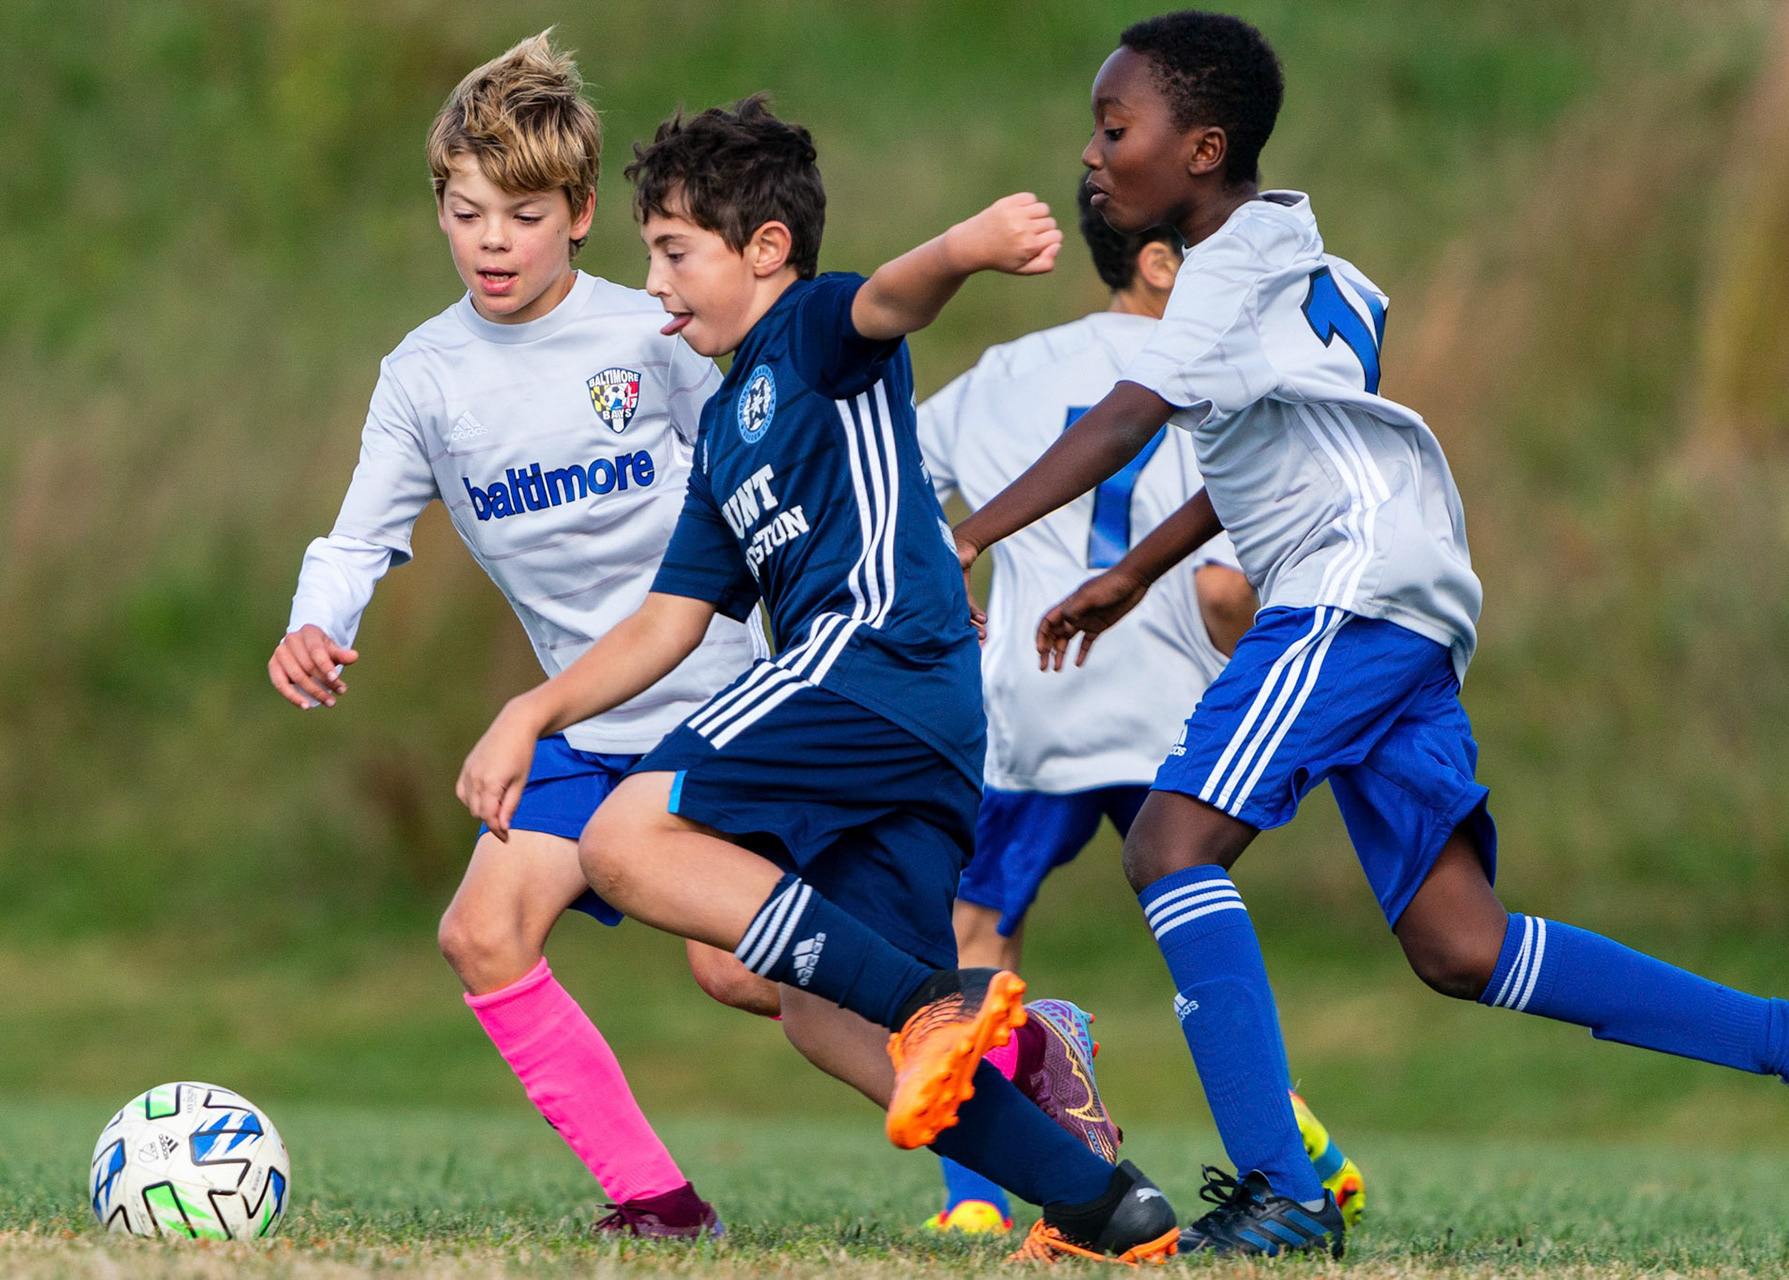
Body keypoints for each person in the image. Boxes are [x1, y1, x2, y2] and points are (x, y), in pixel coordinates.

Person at [951, 10, 1789, 1259]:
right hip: (1405, 589)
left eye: (1115, 126)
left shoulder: (1225, 272)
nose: (1092, 150)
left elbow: (1130, 417)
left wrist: (970, 538)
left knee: (1171, 842)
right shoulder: (1301, 255)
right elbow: (1274, 448)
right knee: (1460, 941)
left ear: (1202, 147)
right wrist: (1135, 569)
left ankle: (1284, 1189)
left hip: (1345, 587)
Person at [456, 94, 1185, 1264]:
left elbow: (890, 296)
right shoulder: (726, 440)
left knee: (624, 840)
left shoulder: (807, 335)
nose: (655, 282)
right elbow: (667, 621)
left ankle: (940, 999)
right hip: (914, 723)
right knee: (813, 1010)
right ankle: (1106, 1204)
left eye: (674, 251)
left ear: (767, 249)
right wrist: (532, 708)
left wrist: (973, 245)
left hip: (868, 662)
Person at [268, 32, 764, 1238]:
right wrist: (314, 622)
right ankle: (660, 1206)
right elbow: (356, 535)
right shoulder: (425, 376)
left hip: (719, 697)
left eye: (523, 213)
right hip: (587, 720)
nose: (493, 240)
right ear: (438, 209)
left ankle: (992, 1036)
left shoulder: (650, 333)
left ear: (582, 212)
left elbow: (761, 469)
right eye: (466, 211)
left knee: (734, 967)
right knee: (482, 933)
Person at [913, 178, 1364, 1233]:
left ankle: (975, 1198)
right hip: (1169, 704)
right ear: (1162, 265)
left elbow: (905, 491)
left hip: (1037, 699)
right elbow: (1220, 587)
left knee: (977, 927)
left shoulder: (1006, 372)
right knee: (1199, 932)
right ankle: (1292, 1134)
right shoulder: (1219, 378)